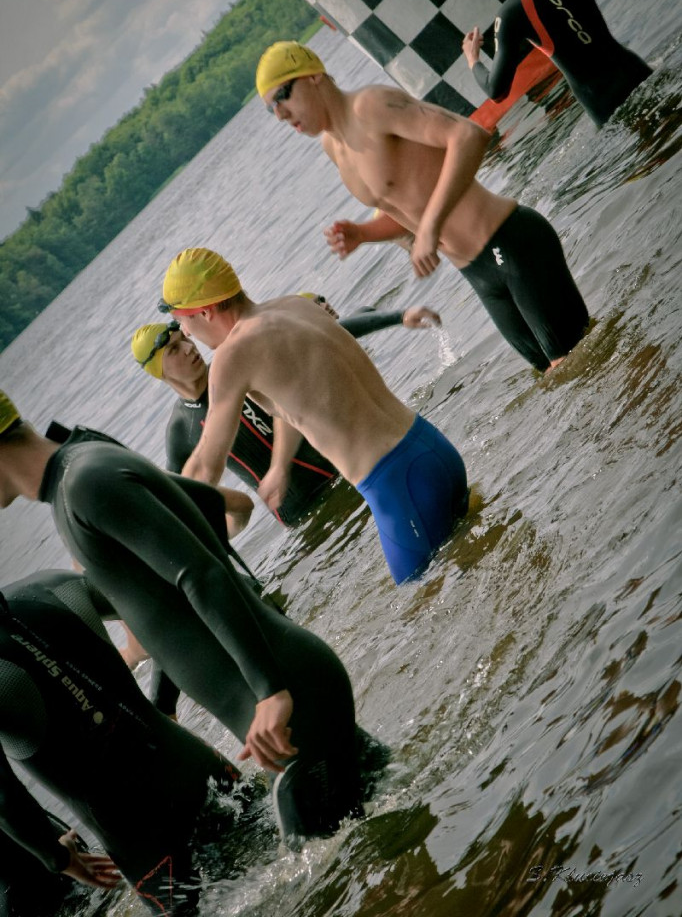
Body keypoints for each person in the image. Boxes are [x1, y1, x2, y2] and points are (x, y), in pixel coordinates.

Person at [0, 391, 374, 846]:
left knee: (336, 886)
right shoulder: (82, 466)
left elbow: (199, 573)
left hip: (288, 699)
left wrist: (268, 689)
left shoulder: (82, 485)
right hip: (293, 688)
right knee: (393, 828)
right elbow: (205, 509)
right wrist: (166, 695)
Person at [255, 41, 589, 374]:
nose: (280, 114)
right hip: (478, 274)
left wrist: (430, 226)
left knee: (572, 368)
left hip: (510, 243)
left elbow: (468, 136)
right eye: (271, 109)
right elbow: (410, 204)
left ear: (313, 76)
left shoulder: (371, 106)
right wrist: (364, 233)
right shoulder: (334, 147)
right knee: (555, 377)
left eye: (282, 96)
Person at [158, 248, 469, 585]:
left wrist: (160, 520)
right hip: (431, 445)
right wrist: (279, 465)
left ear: (204, 313)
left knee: (423, 603)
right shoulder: (294, 305)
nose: (186, 334)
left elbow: (206, 464)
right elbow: (299, 400)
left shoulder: (231, 356)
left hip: (394, 481)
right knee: (482, 542)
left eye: (182, 322)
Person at [0, 567, 249, 916]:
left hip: (138, 839)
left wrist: (56, 857)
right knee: (309, 847)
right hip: (196, 766)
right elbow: (167, 607)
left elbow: (4, 797)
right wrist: (163, 704)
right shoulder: (49, 584)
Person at [131, 295, 442, 526]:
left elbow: (333, 332)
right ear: (159, 372)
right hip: (306, 518)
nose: (188, 348)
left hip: (347, 473)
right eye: (173, 350)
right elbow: (181, 500)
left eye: (182, 340)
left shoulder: (235, 364)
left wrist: (395, 317)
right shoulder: (180, 429)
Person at [462, 0, 652, 128]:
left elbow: (496, 91)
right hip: (637, 72)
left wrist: (472, 59)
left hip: (606, 104)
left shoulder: (510, 14)